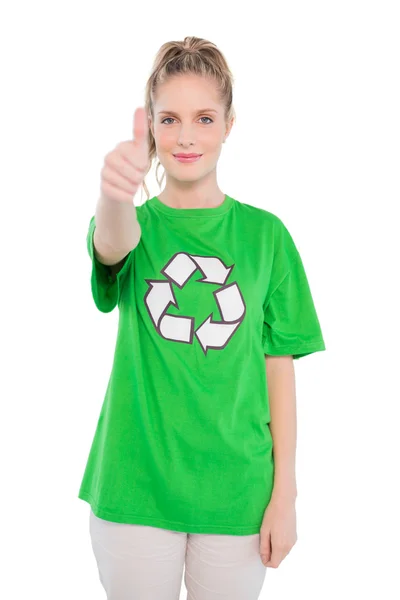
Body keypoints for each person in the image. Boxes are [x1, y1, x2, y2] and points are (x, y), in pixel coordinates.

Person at [78, 36, 326, 600]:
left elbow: (278, 368)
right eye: (169, 119)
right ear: (152, 130)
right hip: (135, 485)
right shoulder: (136, 227)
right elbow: (113, 243)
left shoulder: (267, 237)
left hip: (238, 489)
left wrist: (284, 492)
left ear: (229, 124)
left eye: (204, 118)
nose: (186, 136)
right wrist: (114, 193)